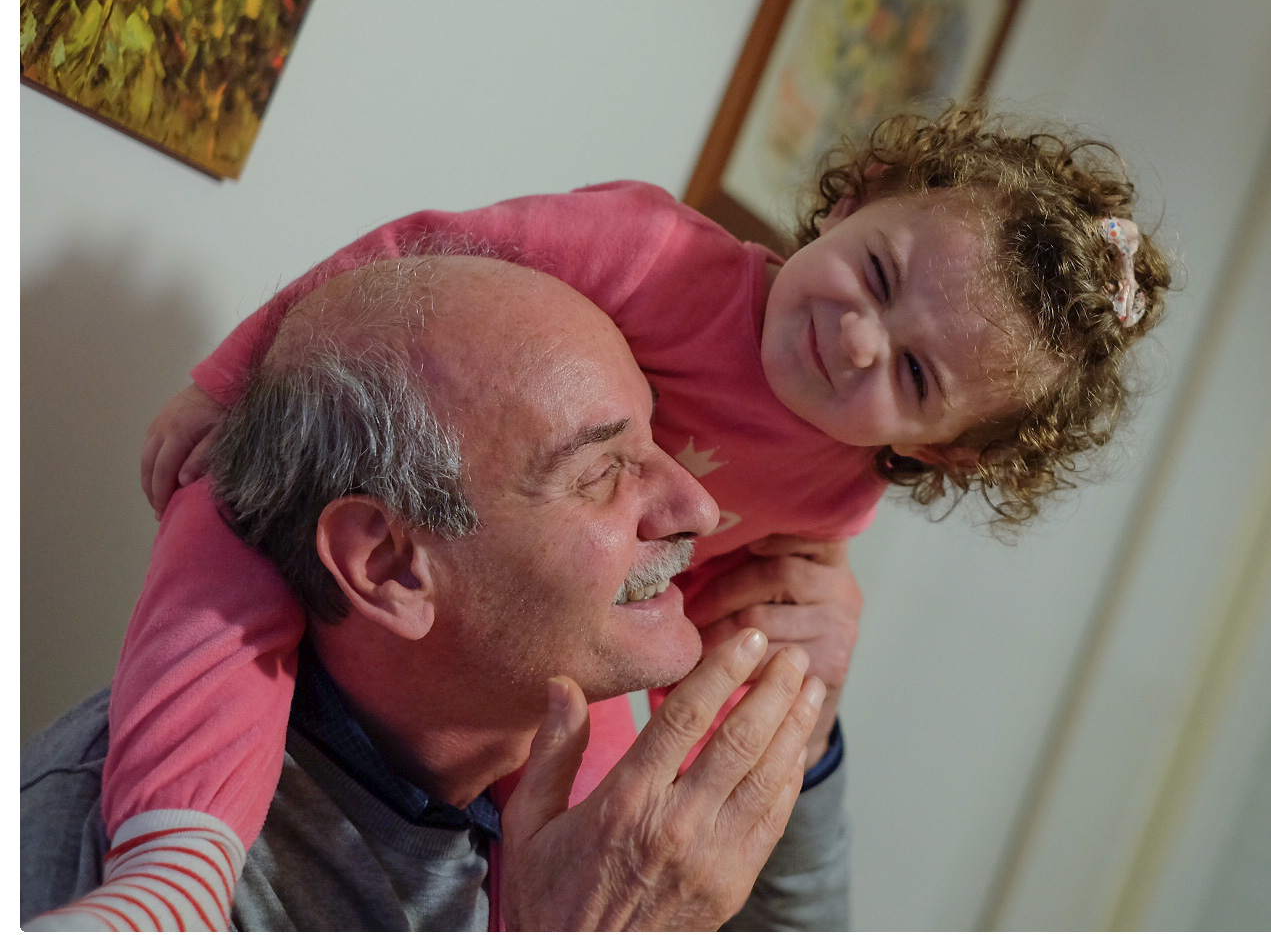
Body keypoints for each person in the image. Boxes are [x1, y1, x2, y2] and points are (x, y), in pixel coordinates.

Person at [102, 104, 1176, 926]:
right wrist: (230, 377)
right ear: (856, 200)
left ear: (941, 447)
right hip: (393, 499)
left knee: (619, 797)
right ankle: (175, 871)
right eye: (879, 274)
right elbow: (404, 262)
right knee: (222, 530)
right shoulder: (654, 250)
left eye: (910, 370)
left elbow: (720, 640)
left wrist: (759, 722)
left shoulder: (845, 487)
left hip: (584, 644)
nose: (855, 339)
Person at [23, 256, 847, 930]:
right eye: (601, 472)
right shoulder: (108, 853)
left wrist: (801, 743)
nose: (697, 508)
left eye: (655, 437)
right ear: (387, 565)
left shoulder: (600, 793)